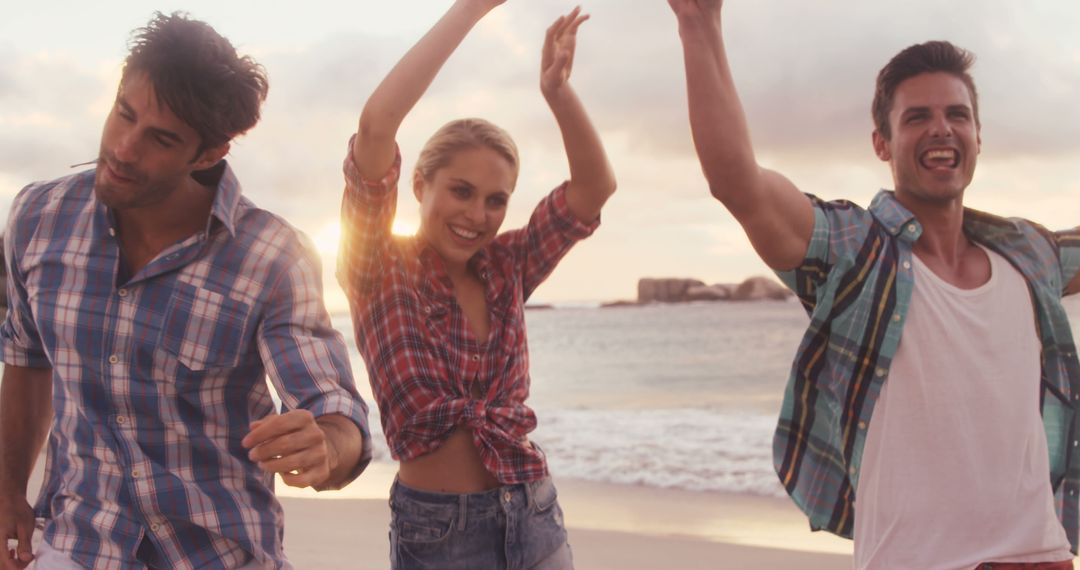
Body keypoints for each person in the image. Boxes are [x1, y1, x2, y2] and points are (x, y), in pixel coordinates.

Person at [668, 1, 1080, 568]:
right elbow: (738, 181)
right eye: (916, 117)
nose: (942, 128)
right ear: (881, 144)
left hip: (1042, 557)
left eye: (957, 115)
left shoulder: (1028, 255)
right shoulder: (857, 250)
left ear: (979, 137)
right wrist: (699, 25)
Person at [0, 13, 372, 570]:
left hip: (218, 554)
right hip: (77, 544)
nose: (124, 149)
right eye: (124, 114)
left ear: (209, 153)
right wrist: (6, 492)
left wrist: (326, 445)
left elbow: (331, 408)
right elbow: (27, 362)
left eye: (161, 139)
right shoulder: (38, 219)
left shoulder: (270, 255)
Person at [339, 1, 616, 568]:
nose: (477, 215)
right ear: (420, 184)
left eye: (496, 200)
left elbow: (594, 188)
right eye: (460, 191)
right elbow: (376, 127)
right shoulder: (377, 267)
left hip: (534, 511)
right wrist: (469, 12)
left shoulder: (508, 265)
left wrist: (558, 93)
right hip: (441, 532)